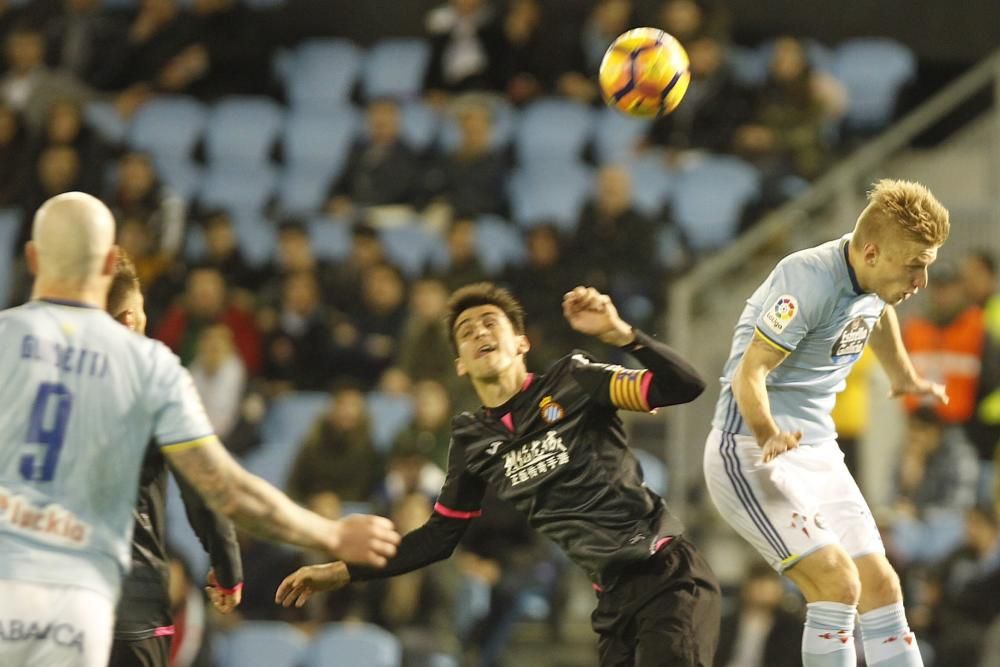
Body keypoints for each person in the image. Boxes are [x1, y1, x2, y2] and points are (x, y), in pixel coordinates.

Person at [0, 192, 399, 667]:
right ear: (108, 263)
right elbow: (223, 490)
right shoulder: (149, 366)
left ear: (31, 257)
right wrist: (329, 535)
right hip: (99, 605)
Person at [277, 282, 722, 666]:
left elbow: (686, 386)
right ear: (460, 364)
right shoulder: (472, 439)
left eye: (491, 322)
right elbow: (437, 538)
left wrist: (622, 335)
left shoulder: (576, 380)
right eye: (466, 332)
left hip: (665, 573)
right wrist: (343, 570)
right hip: (611, 599)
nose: (479, 332)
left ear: (521, 343)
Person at [703, 179, 950, 667]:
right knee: (838, 582)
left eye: (927, 267)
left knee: (882, 584)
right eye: (915, 267)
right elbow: (748, 374)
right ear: (873, 252)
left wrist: (903, 376)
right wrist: (767, 433)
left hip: (815, 448)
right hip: (749, 451)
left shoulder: (875, 277)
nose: (921, 283)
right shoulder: (807, 279)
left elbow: (876, 315)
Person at [105, 252, 244, 667]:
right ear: (131, 317)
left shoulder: (35, 370)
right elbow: (204, 484)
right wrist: (226, 566)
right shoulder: (158, 380)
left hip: (47, 591)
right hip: (135, 597)